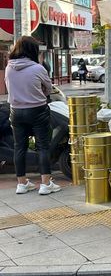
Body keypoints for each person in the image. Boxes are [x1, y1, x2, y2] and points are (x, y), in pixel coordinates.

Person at [5, 36, 59, 195]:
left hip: (16, 111)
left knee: (19, 147)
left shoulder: (9, 67)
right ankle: (45, 184)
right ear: (32, 51)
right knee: (43, 146)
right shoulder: (38, 68)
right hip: (37, 111)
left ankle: (21, 184)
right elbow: (48, 88)